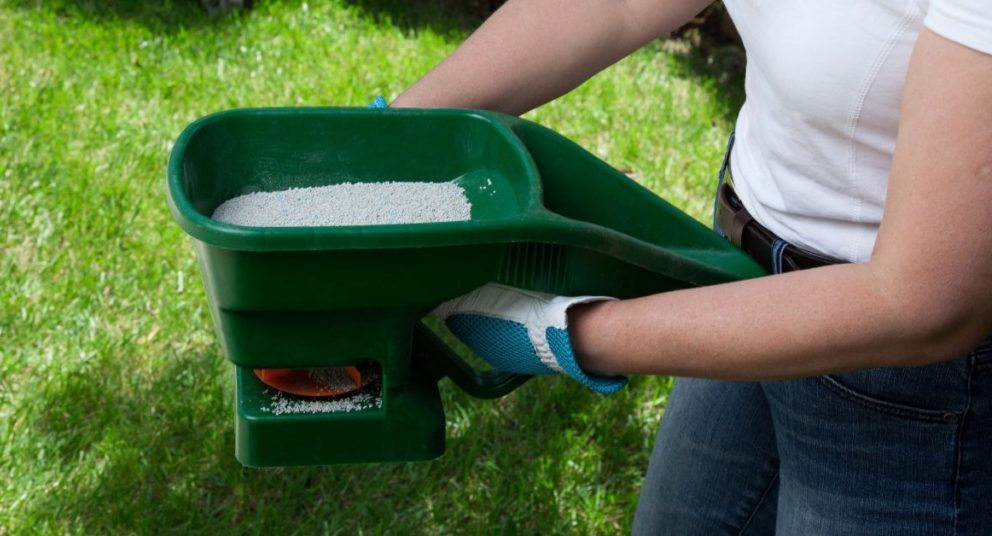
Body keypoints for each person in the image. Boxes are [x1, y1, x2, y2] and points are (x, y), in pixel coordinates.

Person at [392, 1, 992, 534]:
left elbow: (924, 303)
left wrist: (562, 334)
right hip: (736, 279)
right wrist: (399, 132)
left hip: (907, 387)